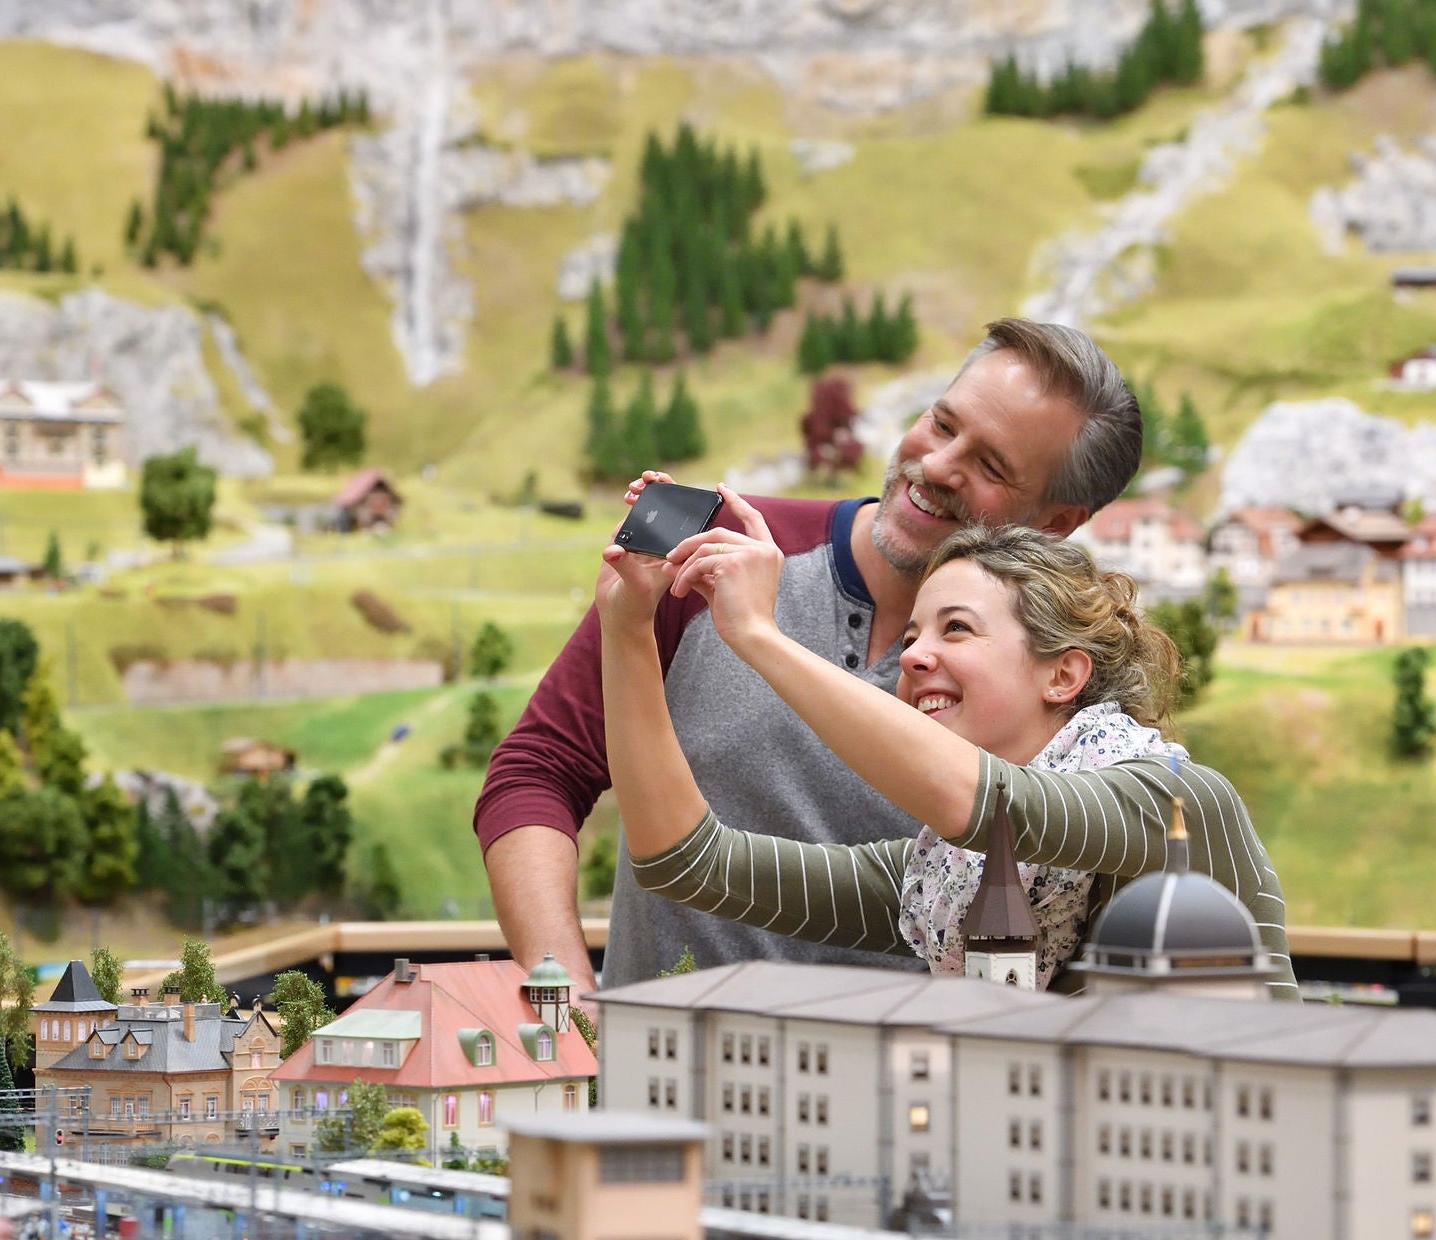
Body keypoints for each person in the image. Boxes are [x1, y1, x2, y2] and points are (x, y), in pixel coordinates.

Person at [477, 319, 1145, 989]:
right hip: (653, 1076)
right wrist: (567, 1003)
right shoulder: (711, 547)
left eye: (991, 466)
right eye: (942, 425)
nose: (938, 465)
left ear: (1057, 523)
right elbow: (539, 770)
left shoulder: (1052, 692)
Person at [596, 504, 1297, 995]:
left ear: (1064, 673)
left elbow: (998, 807)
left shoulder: (1174, 801)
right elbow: (687, 863)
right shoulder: (942, 879)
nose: (916, 657)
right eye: (911, 640)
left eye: (955, 630)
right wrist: (627, 626)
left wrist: (761, 636)